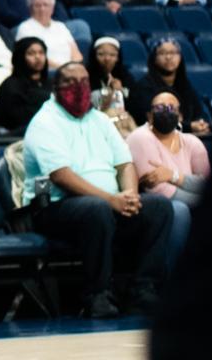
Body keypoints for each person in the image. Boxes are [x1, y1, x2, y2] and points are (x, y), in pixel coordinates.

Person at [22, 63, 173, 318]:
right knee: (96, 208)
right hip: (54, 207)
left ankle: (142, 288)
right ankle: (97, 294)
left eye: (83, 81)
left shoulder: (100, 119)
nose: (78, 88)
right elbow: (61, 175)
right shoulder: (44, 122)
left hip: (108, 203)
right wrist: (111, 199)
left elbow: (125, 163)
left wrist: (130, 196)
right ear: (55, 87)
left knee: (159, 207)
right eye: (70, 82)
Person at [125, 91, 210, 271]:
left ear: (180, 115)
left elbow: (208, 185)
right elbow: (160, 191)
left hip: (186, 201)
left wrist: (173, 176)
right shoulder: (140, 138)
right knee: (179, 210)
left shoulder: (192, 142)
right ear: (149, 115)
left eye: (171, 107)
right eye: (159, 107)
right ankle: (166, 279)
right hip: (150, 205)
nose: (166, 111)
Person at [126, 39, 211, 134]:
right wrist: (189, 127)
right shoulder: (143, 87)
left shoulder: (185, 85)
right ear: (154, 58)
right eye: (162, 53)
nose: (168, 57)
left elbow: (198, 112)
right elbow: (151, 121)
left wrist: (201, 124)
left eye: (173, 53)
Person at [0, 37, 51, 133]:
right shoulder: (11, 86)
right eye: (31, 53)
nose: (38, 57)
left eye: (41, 52)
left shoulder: (52, 83)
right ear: (20, 57)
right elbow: (16, 120)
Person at [14, 0, 81, 69]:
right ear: (30, 8)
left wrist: (74, 67)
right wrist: (62, 69)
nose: (42, 9)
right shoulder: (25, 27)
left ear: (52, 8)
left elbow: (76, 53)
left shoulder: (60, 26)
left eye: (45, 5)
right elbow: (34, 57)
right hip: (47, 71)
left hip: (69, 69)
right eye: (37, 6)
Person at [88, 37, 135, 134]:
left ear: (118, 57)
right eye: (101, 54)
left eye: (112, 55)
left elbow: (135, 102)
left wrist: (121, 90)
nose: (107, 59)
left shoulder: (125, 75)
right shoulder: (86, 75)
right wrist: (109, 92)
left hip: (123, 120)